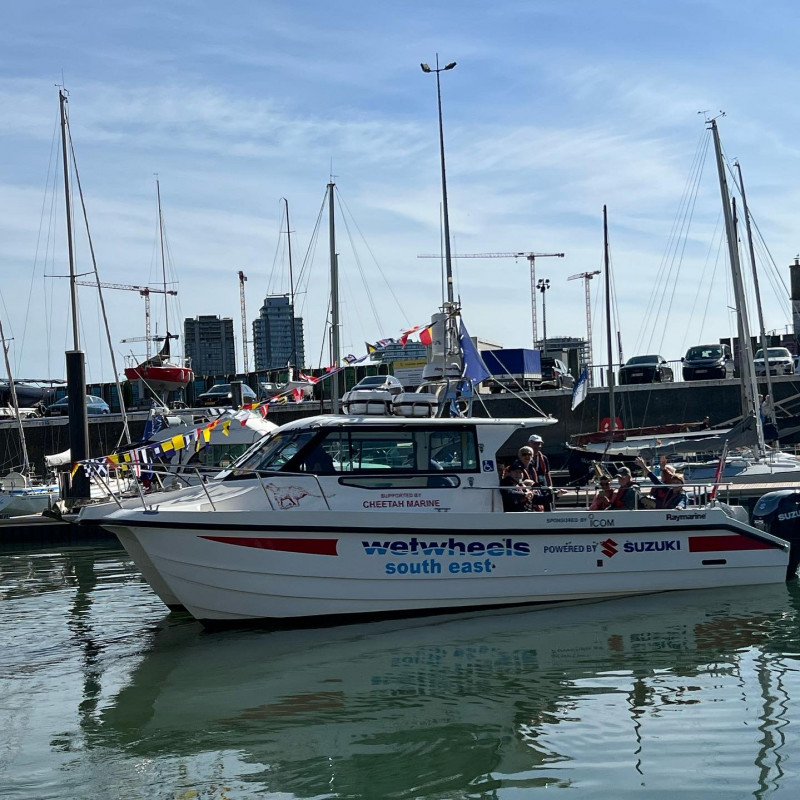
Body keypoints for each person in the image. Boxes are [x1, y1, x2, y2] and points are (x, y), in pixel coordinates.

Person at [527, 434, 555, 510]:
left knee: (547, 504)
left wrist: (550, 487)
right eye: (535, 444)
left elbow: (547, 473)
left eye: (539, 444)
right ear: (530, 443)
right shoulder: (526, 458)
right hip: (531, 486)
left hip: (543, 485)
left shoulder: (543, 458)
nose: (538, 446)